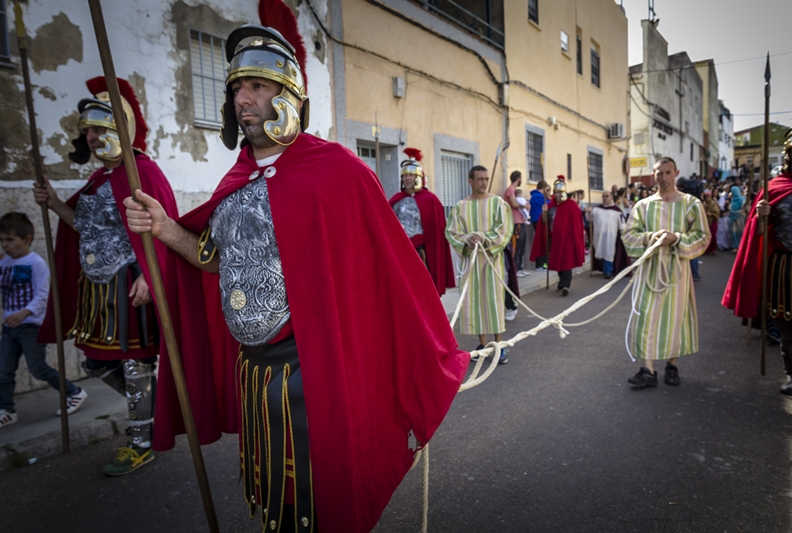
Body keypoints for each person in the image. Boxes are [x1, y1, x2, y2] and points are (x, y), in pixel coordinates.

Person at [124, 4, 469, 532]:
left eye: (258, 86)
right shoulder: (235, 179)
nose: (243, 98)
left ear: (288, 96)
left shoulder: (339, 172)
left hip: (317, 376)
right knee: (274, 502)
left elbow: (389, 280)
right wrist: (167, 228)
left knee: (318, 506)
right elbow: (217, 260)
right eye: (238, 87)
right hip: (255, 373)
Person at [33, 77, 181, 475]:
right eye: (87, 132)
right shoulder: (99, 180)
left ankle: (140, 441)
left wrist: (150, 277)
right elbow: (83, 226)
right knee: (97, 364)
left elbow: (161, 228)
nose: (92, 137)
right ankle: (152, 404)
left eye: (98, 129)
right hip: (95, 289)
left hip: (127, 283)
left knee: (135, 365)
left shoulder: (142, 173)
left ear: (118, 129)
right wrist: (53, 204)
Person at [723, 126, 792, 395]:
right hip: (784, 266)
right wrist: (760, 215)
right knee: (786, 323)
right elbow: (757, 235)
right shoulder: (775, 188)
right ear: (789, 155)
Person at [622, 157, 710, 387]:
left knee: (676, 317)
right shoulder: (643, 206)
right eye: (658, 173)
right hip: (650, 269)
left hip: (678, 269)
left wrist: (677, 239)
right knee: (646, 315)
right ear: (654, 175)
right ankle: (648, 369)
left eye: (667, 172)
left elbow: (703, 236)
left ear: (676, 173)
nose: (663, 177)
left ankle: (672, 364)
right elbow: (628, 235)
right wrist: (649, 237)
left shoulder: (691, 204)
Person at [0, 213, 86, 429]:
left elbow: (43, 294)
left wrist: (24, 313)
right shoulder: (5, 263)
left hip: (30, 326)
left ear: (27, 239)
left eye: (10, 240)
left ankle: (74, 393)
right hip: (9, 328)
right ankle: (7, 410)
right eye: (1, 240)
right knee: (4, 370)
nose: (5, 245)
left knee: (37, 368)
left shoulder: (35, 263)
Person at [446, 165, 513, 362]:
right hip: (471, 262)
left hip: (492, 260)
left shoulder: (498, 203)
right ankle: (483, 344)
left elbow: (505, 229)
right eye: (479, 179)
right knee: (475, 302)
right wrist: (468, 239)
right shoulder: (460, 207)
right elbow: (451, 231)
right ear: (470, 181)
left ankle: (499, 346)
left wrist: (484, 238)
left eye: (486, 178)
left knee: (494, 301)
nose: (483, 182)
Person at [388, 148, 455, 295]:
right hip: (401, 250)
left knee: (423, 289)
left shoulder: (430, 200)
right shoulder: (395, 199)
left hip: (422, 252)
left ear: (419, 177)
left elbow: (436, 230)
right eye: (405, 175)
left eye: (411, 175)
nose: (408, 178)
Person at [529, 178, 584, 296]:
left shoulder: (571, 205)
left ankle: (565, 285)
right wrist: (544, 212)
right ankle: (561, 282)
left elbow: (577, 223)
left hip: (568, 239)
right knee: (558, 261)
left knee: (566, 261)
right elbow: (544, 222)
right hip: (555, 239)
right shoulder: (551, 206)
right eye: (556, 192)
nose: (557, 194)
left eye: (559, 192)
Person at [590, 192, 626, 279]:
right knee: (600, 252)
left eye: (607, 196)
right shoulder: (596, 209)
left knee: (608, 252)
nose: (604, 198)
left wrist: (623, 233)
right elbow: (589, 219)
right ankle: (604, 269)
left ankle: (608, 271)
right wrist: (588, 212)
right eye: (603, 196)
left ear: (612, 197)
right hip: (598, 235)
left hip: (610, 236)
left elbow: (622, 224)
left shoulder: (616, 211)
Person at [505, 170, 528, 277]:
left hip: (521, 222)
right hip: (515, 223)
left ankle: (520, 267)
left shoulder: (514, 190)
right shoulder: (510, 190)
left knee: (522, 246)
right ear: (518, 179)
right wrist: (525, 206)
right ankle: (515, 268)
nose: (521, 181)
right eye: (521, 178)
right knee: (516, 246)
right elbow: (514, 204)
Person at [529, 180, 548, 270]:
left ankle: (542, 264)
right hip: (538, 221)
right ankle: (539, 264)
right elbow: (548, 203)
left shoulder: (537, 195)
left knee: (542, 242)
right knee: (540, 242)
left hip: (539, 220)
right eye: (547, 189)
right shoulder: (537, 196)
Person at [728, 185, 746, 251]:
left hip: (740, 218)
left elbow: (744, 209)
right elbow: (730, 208)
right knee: (734, 232)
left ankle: (741, 246)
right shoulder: (733, 200)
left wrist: (734, 212)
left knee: (740, 232)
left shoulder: (743, 199)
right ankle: (735, 246)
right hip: (733, 219)